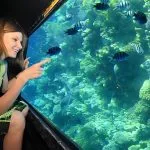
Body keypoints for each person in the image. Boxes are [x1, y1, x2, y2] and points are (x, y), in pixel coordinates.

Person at [0, 17, 50, 150]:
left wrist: (22, 75)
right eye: (15, 39)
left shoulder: (3, 64)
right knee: (16, 119)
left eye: (21, 42)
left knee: (23, 106)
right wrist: (23, 78)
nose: (20, 46)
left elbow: (5, 89)